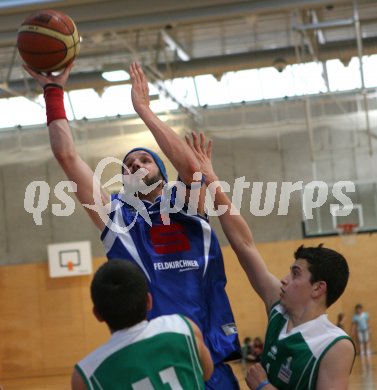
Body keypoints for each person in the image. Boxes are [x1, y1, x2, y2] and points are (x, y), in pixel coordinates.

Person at [24, 63, 241, 389]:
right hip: (153, 359)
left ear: (162, 174)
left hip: (208, 351)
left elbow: (190, 165)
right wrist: (53, 91)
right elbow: (67, 157)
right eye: (128, 165)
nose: (136, 165)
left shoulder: (186, 205)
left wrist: (143, 110)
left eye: (144, 160)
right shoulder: (115, 216)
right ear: (123, 181)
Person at [186, 132, 356, 390]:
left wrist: (264, 386)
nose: (286, 279)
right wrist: (212, 182)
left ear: (318, 288)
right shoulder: (278, 309)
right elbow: (244, 245)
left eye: (296, 274)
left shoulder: (335, 344)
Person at [71, 259, 213, 389]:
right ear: (149, 301)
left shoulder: (86, 374)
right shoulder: (183, 327)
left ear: (97, 314)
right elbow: (206, 373)